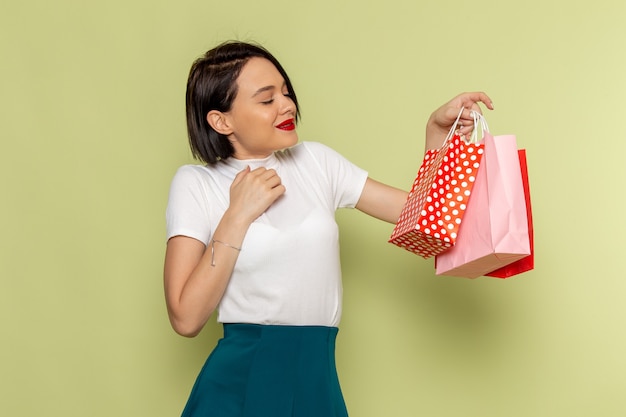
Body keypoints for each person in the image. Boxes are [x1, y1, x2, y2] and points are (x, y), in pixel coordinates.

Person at [164, 40, 493, 417]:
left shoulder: (316, 161)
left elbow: (424, 218)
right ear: (222, 121)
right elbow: (185, 318)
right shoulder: (197, 184)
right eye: (266, 99)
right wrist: (236, 216)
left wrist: (437, 134)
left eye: (286, 92)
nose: (287, 105)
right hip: (244, 381)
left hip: (317, 375)